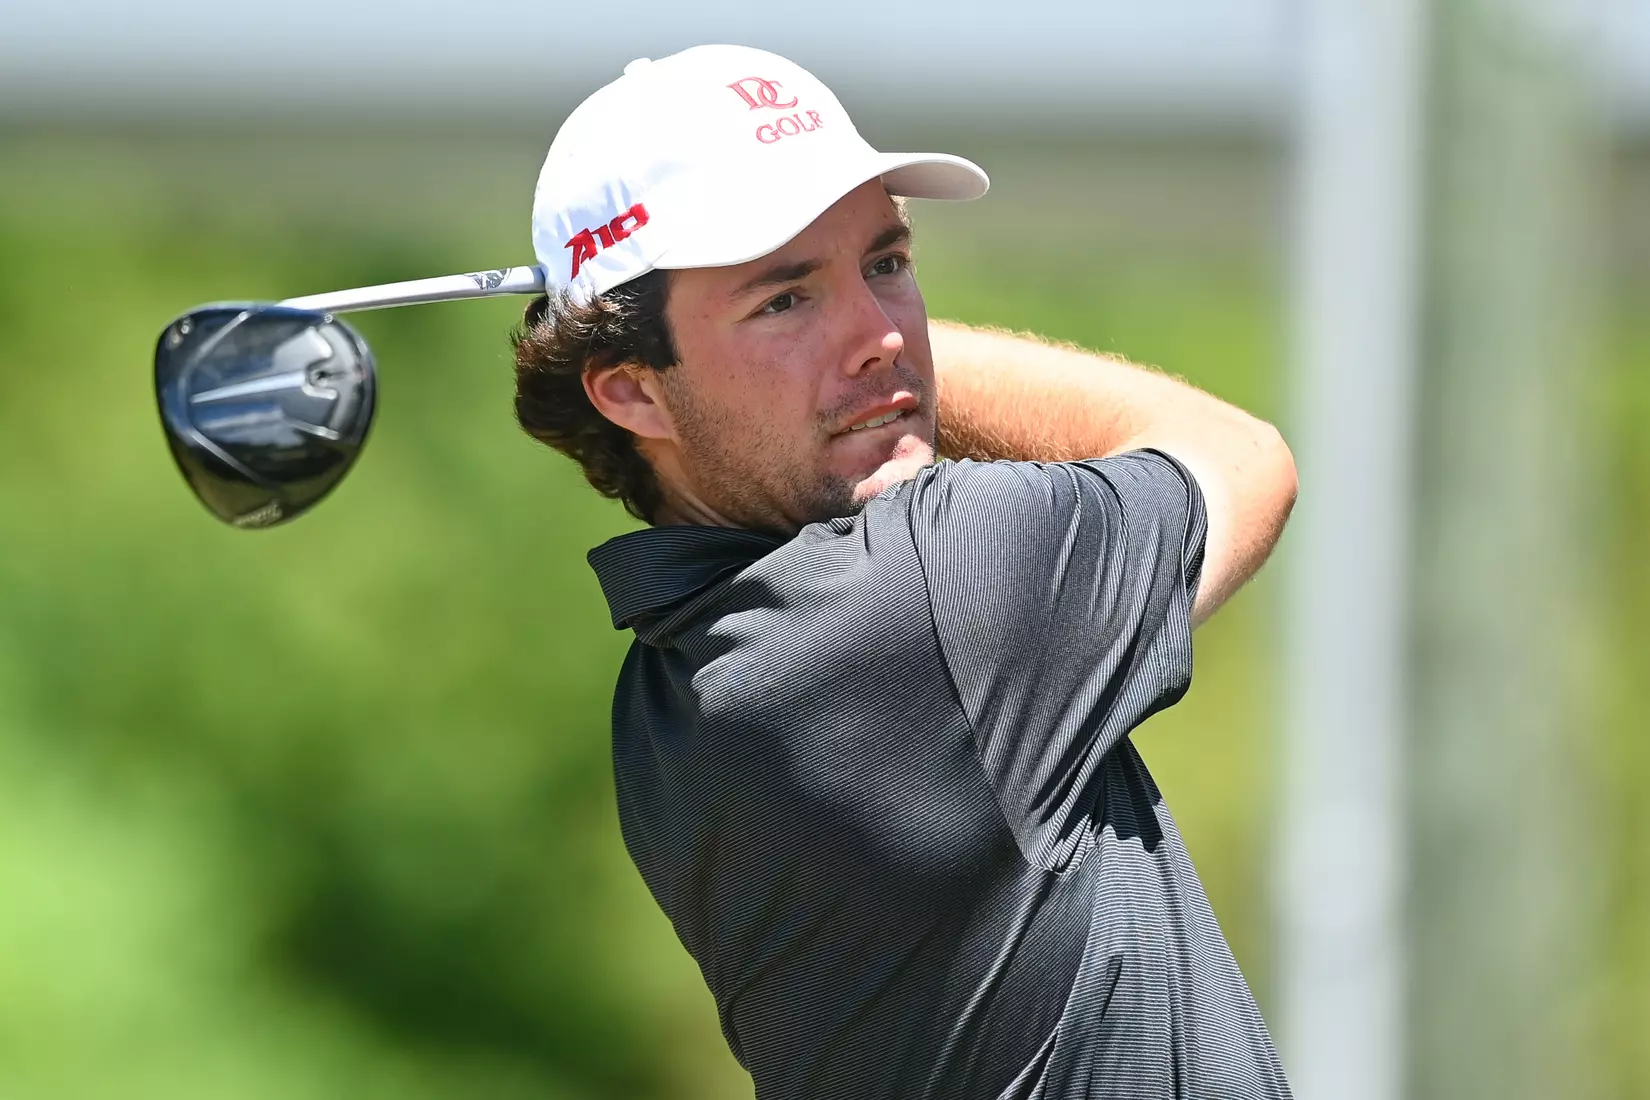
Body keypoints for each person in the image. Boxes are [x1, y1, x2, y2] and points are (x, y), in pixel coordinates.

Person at [513, 44, 1297, 1100]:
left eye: (886, 262)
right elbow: (1240, 457)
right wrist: (898, 362)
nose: (882, 332)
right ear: (634, 393)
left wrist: (829, 356)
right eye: (783, 298)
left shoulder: (661, 698)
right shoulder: (935, 591)